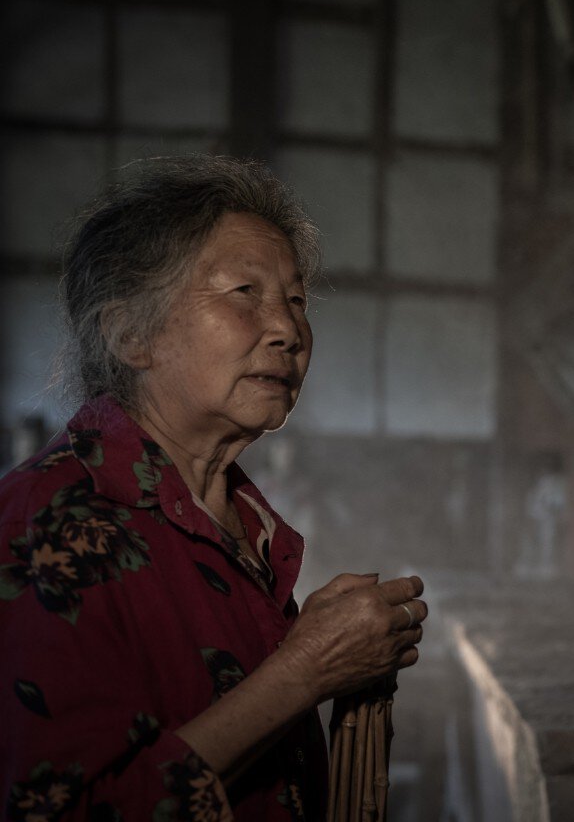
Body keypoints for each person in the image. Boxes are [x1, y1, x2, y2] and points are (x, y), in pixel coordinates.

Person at [0, 156, 427, 821]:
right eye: (244, 292)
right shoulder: (45, 522)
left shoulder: (243, 525)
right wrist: (304, 671)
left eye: (296, 300)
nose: (289, 331)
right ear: (131, 335)